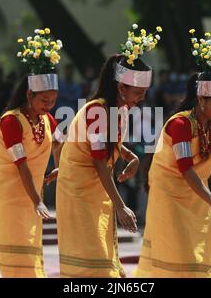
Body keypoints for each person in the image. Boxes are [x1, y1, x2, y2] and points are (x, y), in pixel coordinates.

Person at [135, 29, 211, 278]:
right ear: (201, 99)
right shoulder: (180, 125)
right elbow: (185, 167)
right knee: (177, 252)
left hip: (195, 193)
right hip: (171, 192)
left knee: (197, 253)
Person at [56, 24, 162, 278]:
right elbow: (100, 162)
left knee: (103, 257)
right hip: (79, 190)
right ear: (121, 88)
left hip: (96, 189)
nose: (141, 98)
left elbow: (109, 146)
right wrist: (121, 205)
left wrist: (130, 156)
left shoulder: (120, 110)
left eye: (144, 93)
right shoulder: (97, 110)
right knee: (93, 263)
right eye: (137, 92)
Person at [0, 28, 64, 277]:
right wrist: (38, 200)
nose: (48, 106)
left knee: (32, 244)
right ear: (29, 94)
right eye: (44, 101)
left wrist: (59, 165)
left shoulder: (48, 119)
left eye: (52, 101)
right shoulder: (11, 122)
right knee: (17, 243)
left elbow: (60, 143)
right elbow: (21, 164)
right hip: (10, 193)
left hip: (31, 191)